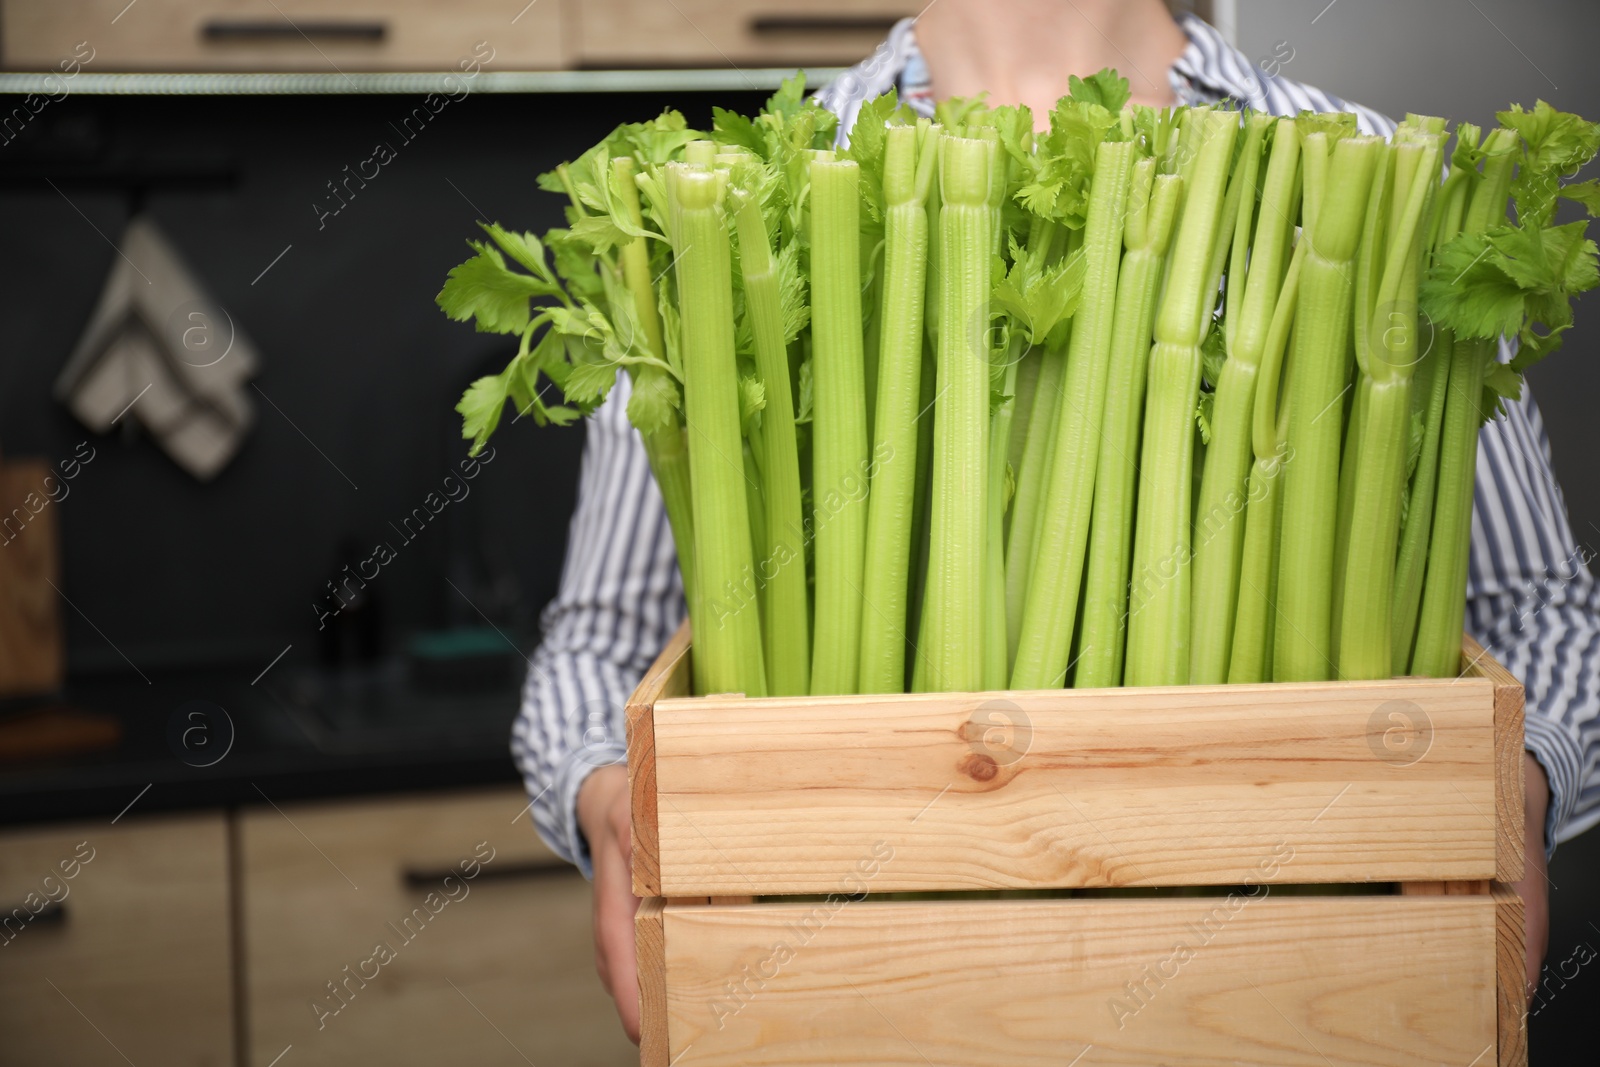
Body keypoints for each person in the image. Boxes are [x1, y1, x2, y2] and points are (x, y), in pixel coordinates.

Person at [512, 0, 1595, 1041]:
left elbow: (1541, 613)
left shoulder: (1374, 169)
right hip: (861, 1002)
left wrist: (1515, 785)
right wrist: (610, 798)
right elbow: (605, 641)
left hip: (1301, 993)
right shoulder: (721, 192)